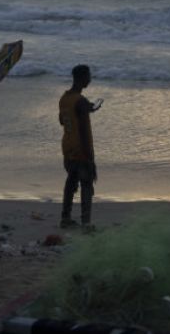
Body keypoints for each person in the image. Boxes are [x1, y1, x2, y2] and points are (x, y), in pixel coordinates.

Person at [59, 64, 101, 230]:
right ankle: (86, 222)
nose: (90, 79)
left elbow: (62, 120)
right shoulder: (81, 102)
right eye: (88, 76)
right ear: (82, 78)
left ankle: (66, 218)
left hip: (67, 147)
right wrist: (89, 155)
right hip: (81, 149)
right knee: (86, 184)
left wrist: (87, 109)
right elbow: (83, 130)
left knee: (71, 182)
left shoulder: (65, 99)